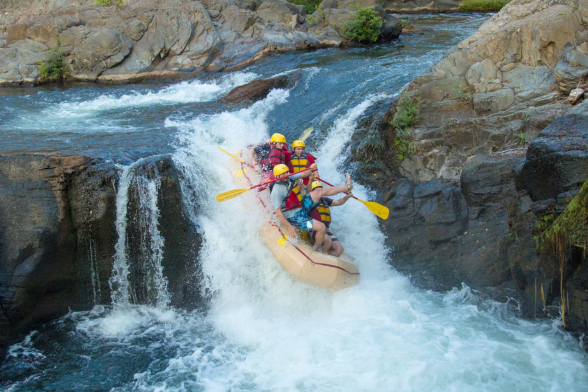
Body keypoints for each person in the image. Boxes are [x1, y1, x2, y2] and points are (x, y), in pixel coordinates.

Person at [271, 163, 353, 253]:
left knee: (319, 191)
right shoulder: (277, 190)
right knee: (321, 227)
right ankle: (317, 249)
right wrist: (289, 226)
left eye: (286, 172)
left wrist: (312, 168)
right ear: (277, 176)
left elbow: (305, 173)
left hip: (301, 205)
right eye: (283, 173)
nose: (286, 174)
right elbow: (278, 212)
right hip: (294, 217)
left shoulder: (289, 177)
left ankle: (346, 187)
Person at [307, 180, 352, 257]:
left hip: (325, 229)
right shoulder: (310, 200)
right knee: (328, 241)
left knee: (339, 249)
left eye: (320, 188)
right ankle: (318, 255)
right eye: (316, 189)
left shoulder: (325, 200)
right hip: (314, 227)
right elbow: (308, 192)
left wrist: (347, 197)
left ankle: (326, 260)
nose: (319, 191)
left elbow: (338, 202)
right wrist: (310, 180)